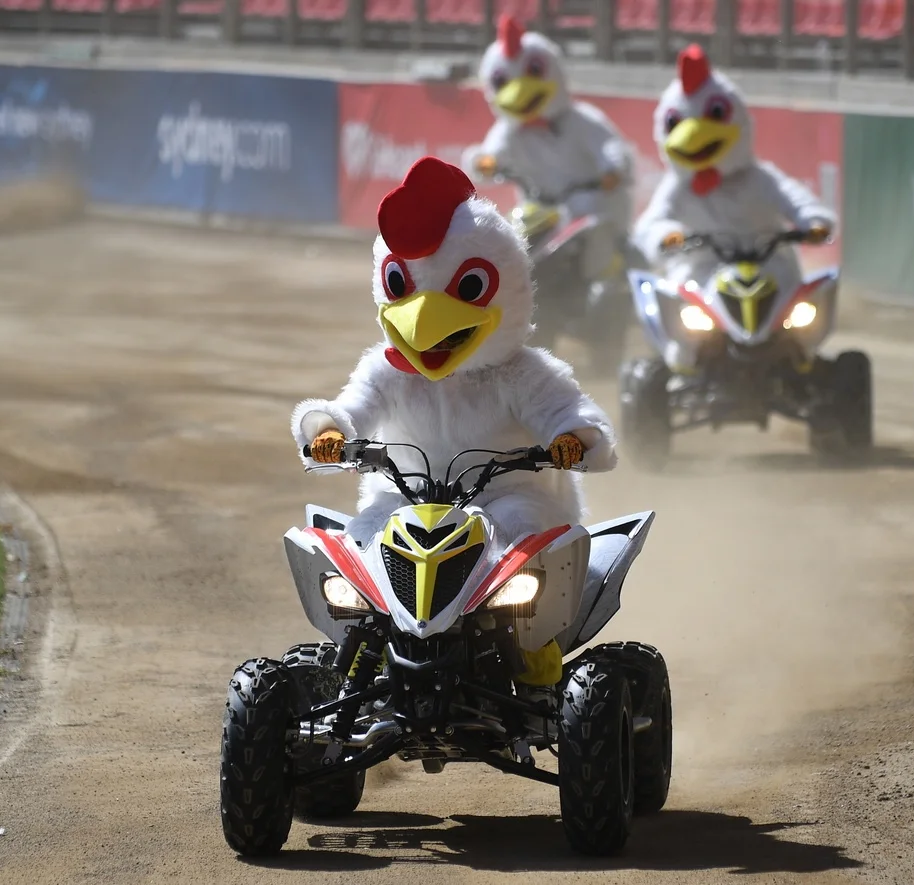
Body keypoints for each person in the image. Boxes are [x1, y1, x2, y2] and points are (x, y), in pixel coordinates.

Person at [291, 156, 617, 689]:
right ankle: (354, 665)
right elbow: (353, 407)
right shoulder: (386, 371)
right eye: (404, 287)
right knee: (360, 544)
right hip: (405, 502)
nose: (427, 324)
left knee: (520, 535)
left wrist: (572, 440)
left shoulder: (521, 373)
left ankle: (532, 656)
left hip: (504, 502)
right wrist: (330, 432)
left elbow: (567, 413)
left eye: (462, 291)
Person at [461, 14, 635, 307]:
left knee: (597, 236)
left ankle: (606, 294)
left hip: (587, 207)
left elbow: (611, 148)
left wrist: (613, 171)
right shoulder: (509, 130)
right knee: (510, 238)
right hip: (538, 208)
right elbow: (492, 152)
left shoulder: (583, 119)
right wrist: (485, 162)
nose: (518, 92)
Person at [633, 44, 836, 293]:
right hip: (702, 272)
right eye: (675, 123)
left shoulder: (760, 178)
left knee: (798, 304)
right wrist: (667, 236)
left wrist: (813, 222)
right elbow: (650, 224)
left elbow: (795, 199)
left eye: (716, 114)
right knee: (681, 297)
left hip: (768, 268)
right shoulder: (677, 187)